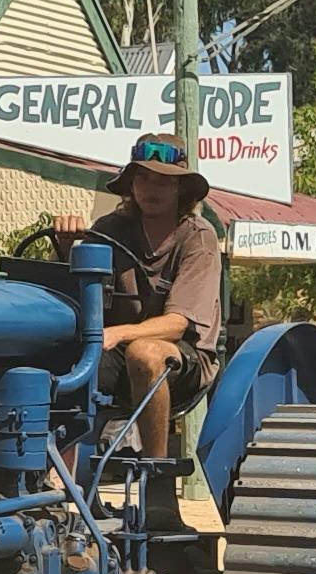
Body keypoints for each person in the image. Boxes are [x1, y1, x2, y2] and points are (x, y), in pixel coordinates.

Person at [92, 131, 225, 457]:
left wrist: (116, 332)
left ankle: (157, 469)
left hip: (185, 359)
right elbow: (76, 288)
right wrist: (69, 247)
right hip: (114, 352)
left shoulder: (198, 238)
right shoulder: (108, 229)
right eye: (144, 179)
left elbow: (177, 324)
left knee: (146, 353)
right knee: (55, 357)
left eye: (164, 181)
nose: (152, 189)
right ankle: (58, 476)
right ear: (131, 184)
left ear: (180, 189)